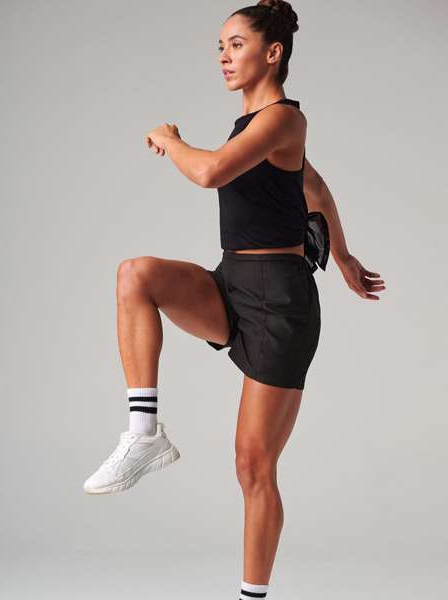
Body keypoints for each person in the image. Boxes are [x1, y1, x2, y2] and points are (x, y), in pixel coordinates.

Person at [83, 1, 387, 598]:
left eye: (236, 44)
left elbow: (210, 173)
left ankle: (252, 596)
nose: (224, 56)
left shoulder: (283, 119)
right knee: (136, 276)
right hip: (234, 282)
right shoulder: (251, 125)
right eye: (220, 47)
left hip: (281, 304)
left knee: (253, 466)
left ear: (273, 53)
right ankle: (144, 433)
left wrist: (171, 141)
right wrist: (345, 256)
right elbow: (314, 187)